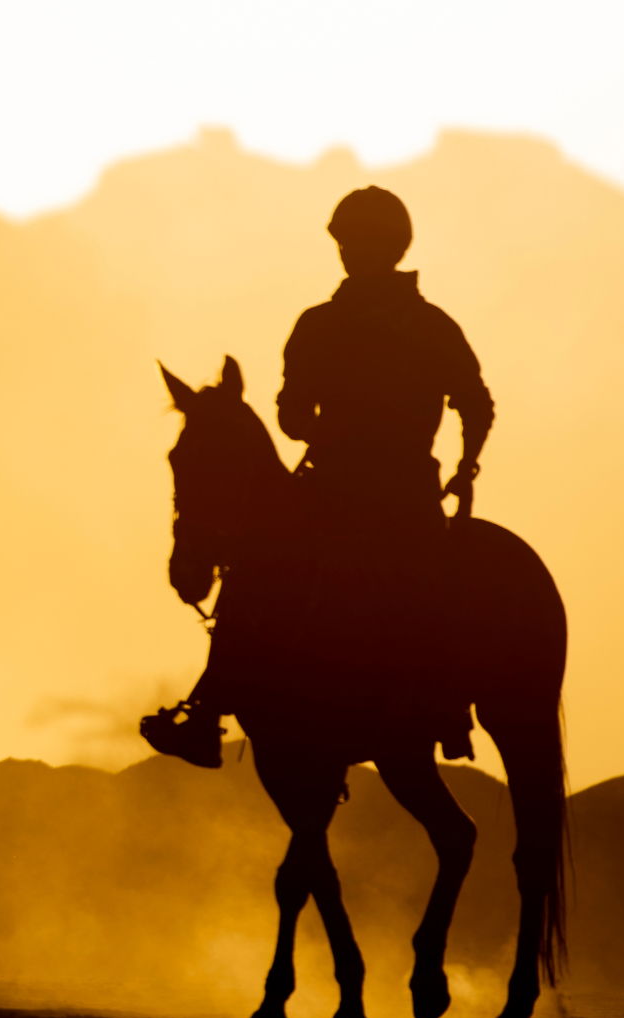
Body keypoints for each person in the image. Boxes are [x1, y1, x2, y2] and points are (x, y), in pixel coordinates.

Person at [146, 186, 492, 766]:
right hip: (333, 485)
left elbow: (475, 403)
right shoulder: (325, 324)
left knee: (423, 584)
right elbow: (290, 411)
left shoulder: (422, 326)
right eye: (348, 243)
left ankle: (443, 703)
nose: (352, 252)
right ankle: (208, 712)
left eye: (362, 242)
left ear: (390, 246)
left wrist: (464, 468)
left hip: (401, 490)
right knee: (254, 567)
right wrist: (313, 429)